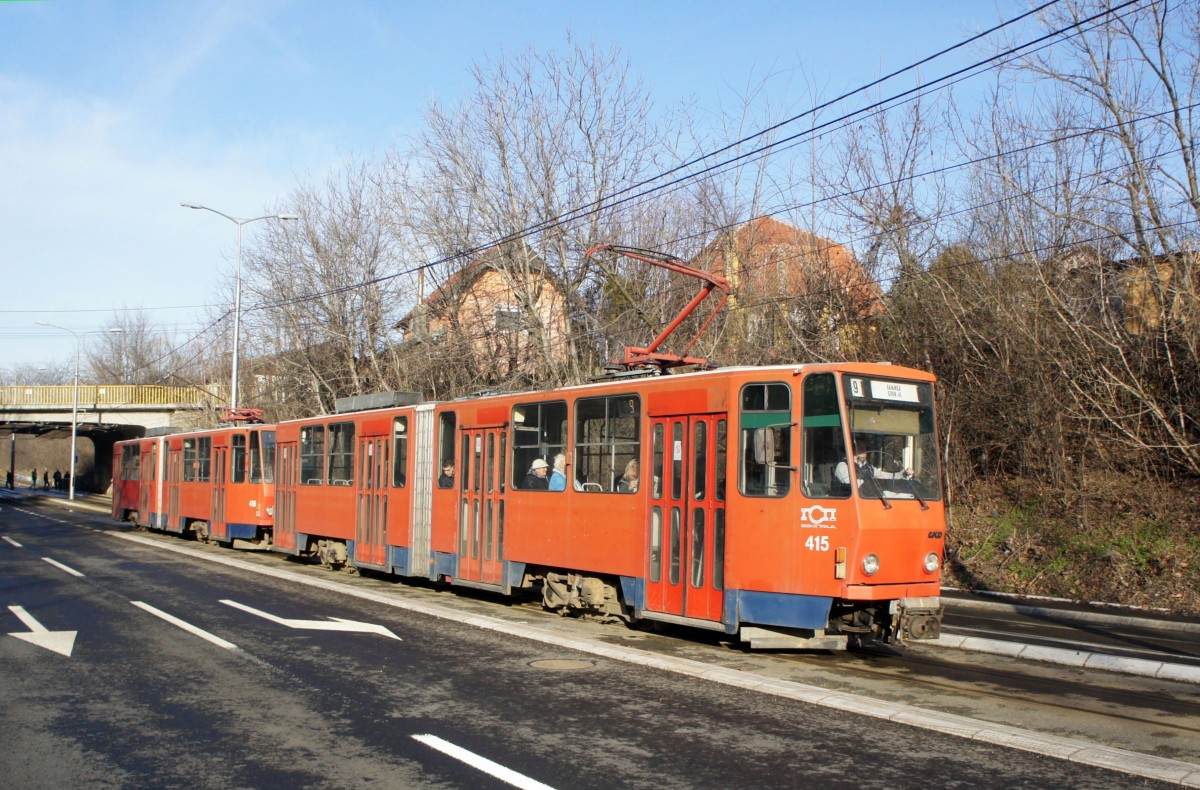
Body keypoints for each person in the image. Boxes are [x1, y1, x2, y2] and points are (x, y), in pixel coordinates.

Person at [834, 439, 912, 491]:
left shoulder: (869, 468)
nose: (865, 452)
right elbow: (850, 482)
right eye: (861, 448)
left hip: (867, 500)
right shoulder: (842, 465)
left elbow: (887, 476)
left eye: (865, 449)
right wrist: (875, 482)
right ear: (852, 450)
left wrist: (904, 474)